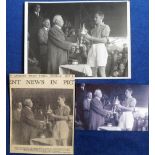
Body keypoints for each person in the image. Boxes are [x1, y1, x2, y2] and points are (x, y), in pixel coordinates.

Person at [84, 11, 110, 77]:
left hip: (101, 49)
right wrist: (86, 38)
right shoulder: (93, 30)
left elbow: (104, 40)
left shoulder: (105, 27)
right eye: (94, 17)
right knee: (92, 71)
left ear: (102, 17)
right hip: (93, 48)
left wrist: (90, 37)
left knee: (101, 71)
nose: (94, 19)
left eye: (96, 17)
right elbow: (92, 41)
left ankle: (105, 86)